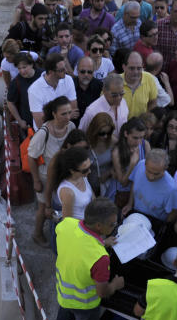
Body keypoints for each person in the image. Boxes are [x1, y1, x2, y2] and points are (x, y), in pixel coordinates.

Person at [55, 198, 124, 320]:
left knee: (64, 316)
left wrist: (102, 241)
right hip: (84, 303)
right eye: (112, 224)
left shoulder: (67, 224)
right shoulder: (100, 257)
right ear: (99, 227)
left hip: (63, 291)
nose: (114, 227)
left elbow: (78, 244)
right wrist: (115, 284)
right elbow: (102, 292)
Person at [29, 96, 76, 246]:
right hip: (45, 176)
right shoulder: (44, 132)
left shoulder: (71, 127)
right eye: (63, 114)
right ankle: (37, 234)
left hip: (64, 175)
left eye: (69, 112)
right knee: (44, 207)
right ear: (54, 114)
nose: (67, 117)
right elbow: (31, 157)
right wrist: (36, 180)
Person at [124, 148, 177, 225]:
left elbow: (174, 212)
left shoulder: (171, 189)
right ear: (145, 164)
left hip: (153, 222)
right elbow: (134, 182)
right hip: (135, 214)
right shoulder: (140, 165)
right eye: (148, 171)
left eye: (156, 174)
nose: (151, 177)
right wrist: (130, 204)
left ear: (165, 169)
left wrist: (162, 226)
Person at [28, 53, 77, 127]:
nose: (66, 71)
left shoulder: (68, 80)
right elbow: (40, 123)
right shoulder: (34, 90)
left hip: (65, 128)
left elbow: (74, 110)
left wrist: (59, 117)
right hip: (45, 133)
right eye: (61, 70)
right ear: (51, 72)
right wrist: (65, 116)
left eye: (65, 67)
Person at [49, 146, 95, 220]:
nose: (90, 171)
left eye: (90, 167)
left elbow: (93, 198)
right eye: (85, 170)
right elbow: (67, 221)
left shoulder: (82, 177)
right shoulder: (67, 191)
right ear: (72, 171)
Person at [112, 117, 148, 210]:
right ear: (126, 134)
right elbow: (123, 183)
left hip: (141, 191)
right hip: (124, 194)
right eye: (135, 138)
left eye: (141, 137)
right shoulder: (117, 152)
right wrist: (132, 164)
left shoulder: (145, 144)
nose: (138, 142)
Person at [85, 112, 116, 198]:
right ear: (95, 130)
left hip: (107, 185)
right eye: (102, 133)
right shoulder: (86, 144)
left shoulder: (113, 141)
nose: (105, 136)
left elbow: (120, 163)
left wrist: (109, 173)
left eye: (109, 132)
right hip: (90, 187)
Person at [121, 52, 158, 118]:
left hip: (140, 126)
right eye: (132, 68)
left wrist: (145, 119)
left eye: (139, 68)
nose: (135, 72)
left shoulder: (149, 79)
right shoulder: (114, 81)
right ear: (124, 67)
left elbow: (153, 102)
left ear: (143, 66)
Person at [71, 56, 104, 121]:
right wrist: (68, 114)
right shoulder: (70, 85)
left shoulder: (100, 86)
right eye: (83, 71)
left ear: (94, 72)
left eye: (89, 72)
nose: (86, 75)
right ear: (77, 71)